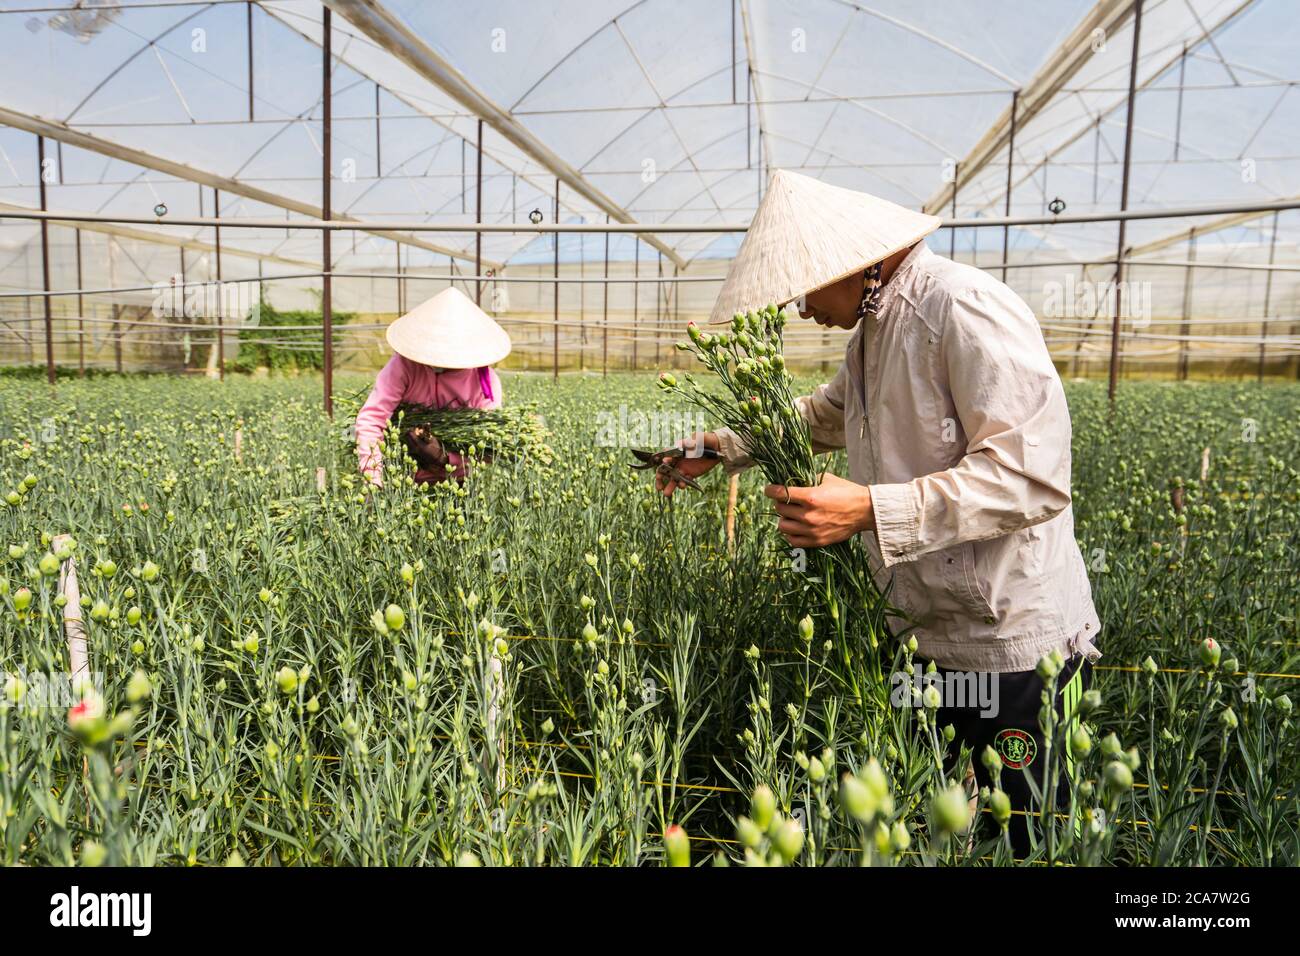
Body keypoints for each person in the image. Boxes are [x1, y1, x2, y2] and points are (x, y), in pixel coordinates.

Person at [660, 170, 1101, 854]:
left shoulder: (962, 307)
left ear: (856, 266)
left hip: (1011, 644)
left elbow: (1032, 476)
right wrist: (721, 447)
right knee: (945, 829)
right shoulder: (873, 331)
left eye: (805, 287)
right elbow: (827, 415)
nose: (801, 308)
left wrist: (867, 509)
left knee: (1027, 836)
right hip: (923, 631)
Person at [355, 286, 510, 487]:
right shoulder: (404, 365)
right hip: (401, 483)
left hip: (457, 485)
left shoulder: (484, 381)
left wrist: (445, 459)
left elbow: (487, 447)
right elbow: (372, 419)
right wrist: (373, 480)